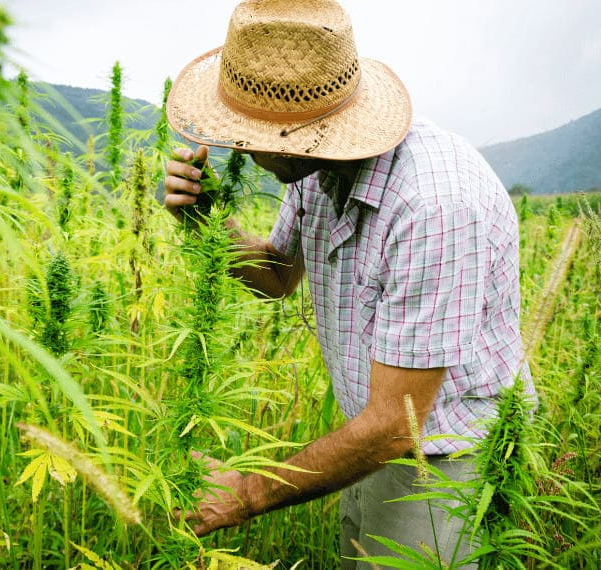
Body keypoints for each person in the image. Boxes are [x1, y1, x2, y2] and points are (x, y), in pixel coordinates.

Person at [163, 0, 536, 567]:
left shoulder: (434, 205)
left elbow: (396, 426)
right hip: (364, 443)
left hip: (442, 461)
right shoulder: (311, 165)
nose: (238, 145)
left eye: (249, 133)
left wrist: (246, 493)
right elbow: (277, 277)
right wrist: (206, 221)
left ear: (305, 131)